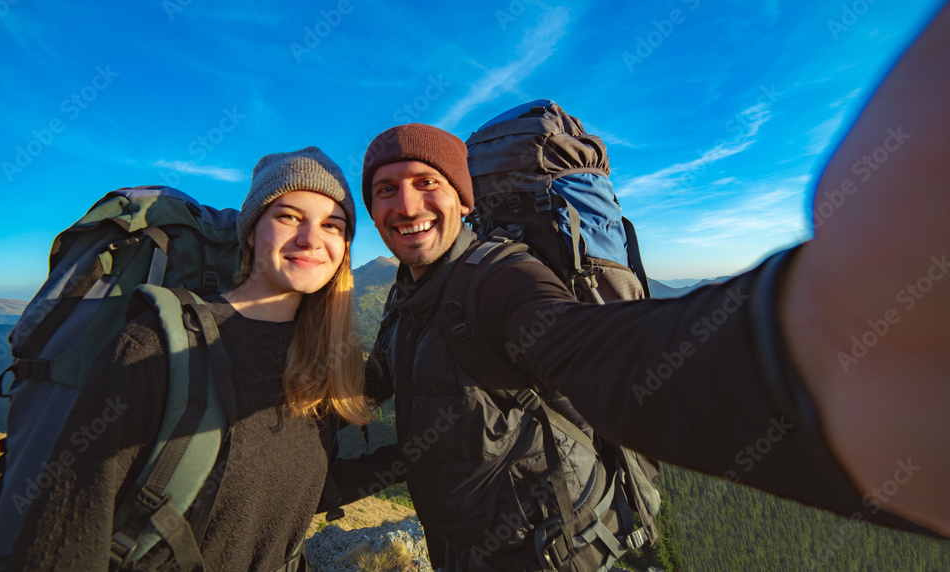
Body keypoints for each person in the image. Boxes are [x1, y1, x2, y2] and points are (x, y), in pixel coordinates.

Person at [355, 4, 950, 569]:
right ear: (373, 211)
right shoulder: (408, 295)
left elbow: (597, 351)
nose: (406, 204)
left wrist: (806, 343)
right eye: (385, 189)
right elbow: (381, 389)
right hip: (458, 550)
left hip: (546, 553)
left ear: (462, 201)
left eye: (424, 181)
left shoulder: (499, 278)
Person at [3, 147, 373, 570]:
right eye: (288, 216)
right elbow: (63, 544)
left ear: (344, 247)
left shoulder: (325, 364)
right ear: (251, 231)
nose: (310, 238)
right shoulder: (157, 346)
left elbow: (283, 496)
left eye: (332, 224)